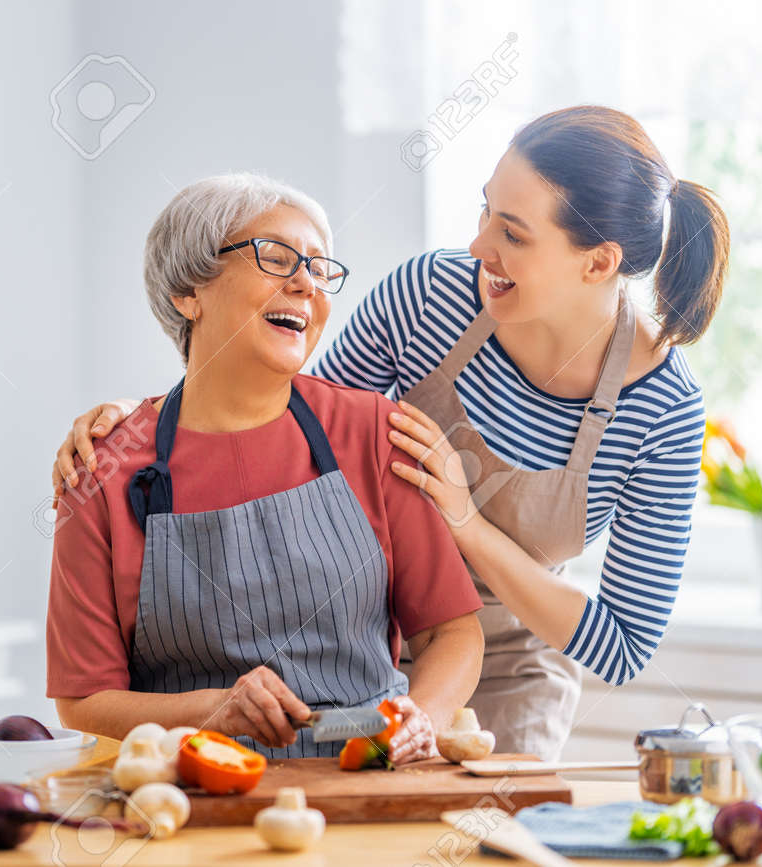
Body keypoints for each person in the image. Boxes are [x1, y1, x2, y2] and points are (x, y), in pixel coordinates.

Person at [52, 106, 729, 761]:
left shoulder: (664, 410)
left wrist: (465, 521)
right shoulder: (432, 296)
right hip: (364, 626)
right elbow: (282, 408)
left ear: (598, 262)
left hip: (507, 657)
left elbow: (623, 644)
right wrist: (142, 420)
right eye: (485, 209)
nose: (478, 245)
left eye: (514, 234)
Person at [47, 173, 484, 761]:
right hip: (196, 798)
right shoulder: (102, 470)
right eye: (276, 258)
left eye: (319, 268)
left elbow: (450, 633)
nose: (306, 283)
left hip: (371, 783)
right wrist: (210, 711)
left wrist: (421, 721)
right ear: (188, 291)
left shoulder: (376, 431)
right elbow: (86, 699)